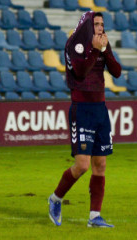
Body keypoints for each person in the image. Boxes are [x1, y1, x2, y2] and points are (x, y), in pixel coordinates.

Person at [48, 11, 121, 228]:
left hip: (100, 109)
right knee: (82, 165)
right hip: (82, 109)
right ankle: (55, 199)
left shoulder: (102, 44)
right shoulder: (74, 45)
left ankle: (94, 217)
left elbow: (116, 72)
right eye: (96, 24)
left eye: (102, 24)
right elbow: (80, 72)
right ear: (88, 26)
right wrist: (96, 51)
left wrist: (105, 51)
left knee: (101, 164)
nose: (100, 28)